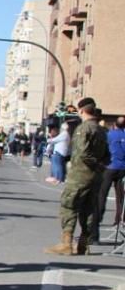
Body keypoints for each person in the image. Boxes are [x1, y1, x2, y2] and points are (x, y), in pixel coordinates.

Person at [45, 98, 109, 256]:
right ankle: (83, 244)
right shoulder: (102, 130)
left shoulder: (84, 128)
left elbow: (82, 153)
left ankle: (66, 243)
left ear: (81, 110)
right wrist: (100, 166)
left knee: (69, 206)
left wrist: (92, 164)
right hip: (96, 176)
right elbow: (107, 155)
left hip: (81, 174)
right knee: (88, 209)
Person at [92, 116, 125, 243]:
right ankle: (119, 220)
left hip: (109, 167)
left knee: (101, 196)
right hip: (122, 169)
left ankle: (95, 230)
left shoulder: (109, 135)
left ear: (114, 125)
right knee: (121, 198)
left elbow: (101, 150)